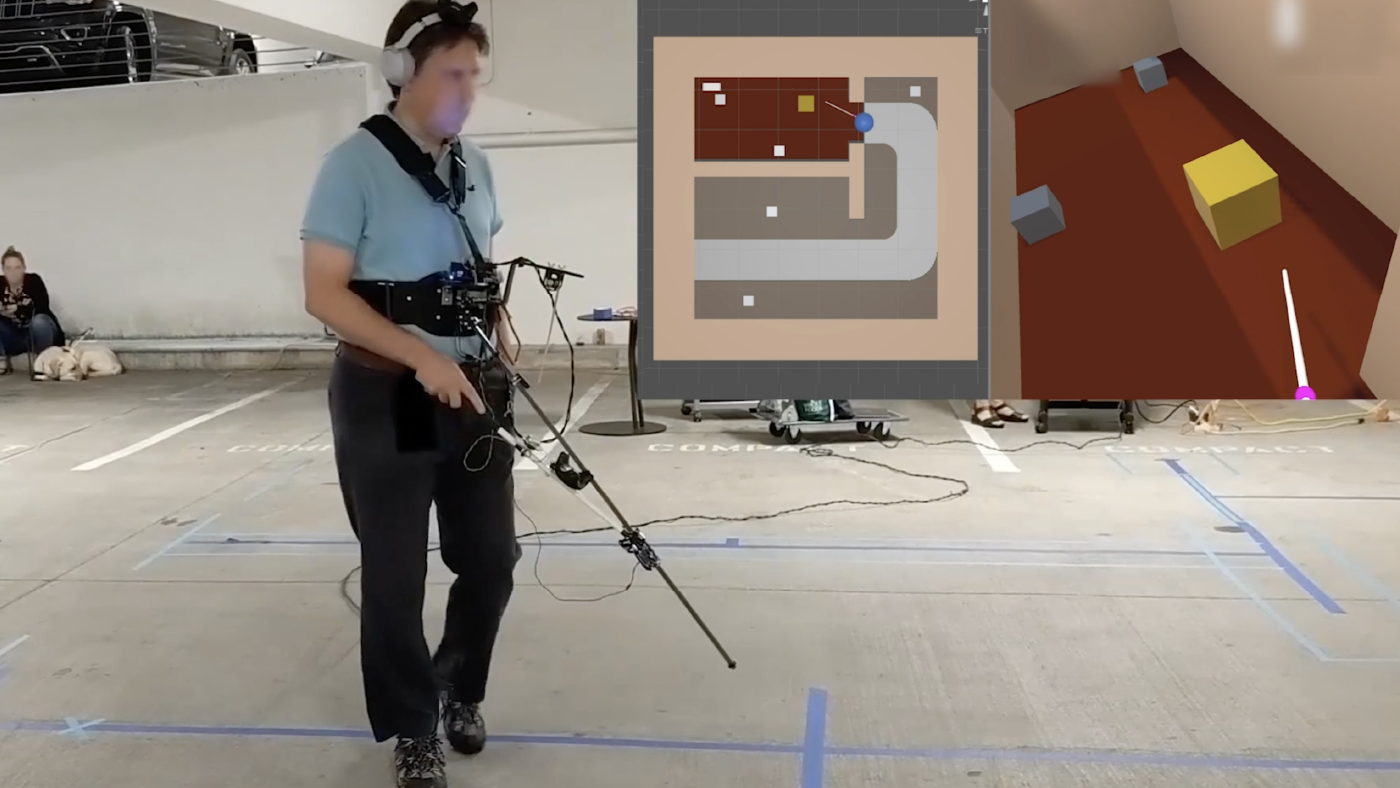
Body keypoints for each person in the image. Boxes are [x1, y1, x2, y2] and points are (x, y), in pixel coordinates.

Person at [299, 3, 519, 786]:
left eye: (474, 76)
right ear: (402, 73)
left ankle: (458, 684)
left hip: (472, 389)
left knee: (491, 560)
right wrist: (420, 356)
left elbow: (480, 265)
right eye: (452, 74)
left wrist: (498, 329)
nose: (467, 91)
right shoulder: (352, 167)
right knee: (395, 577)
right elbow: (324, 293)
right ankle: (413, 727)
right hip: (384, 394)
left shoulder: (476, 166)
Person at [1, 246, 67, 373]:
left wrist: (18, 309)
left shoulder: (33, 281)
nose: (13, 272)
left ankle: (44, 359)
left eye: (17, 267)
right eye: (8, 268)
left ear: (24, 268)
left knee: (39, 321)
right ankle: (1, 360)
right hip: (14, 335)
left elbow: (42, 307)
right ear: (3, 269)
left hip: (38, 333)